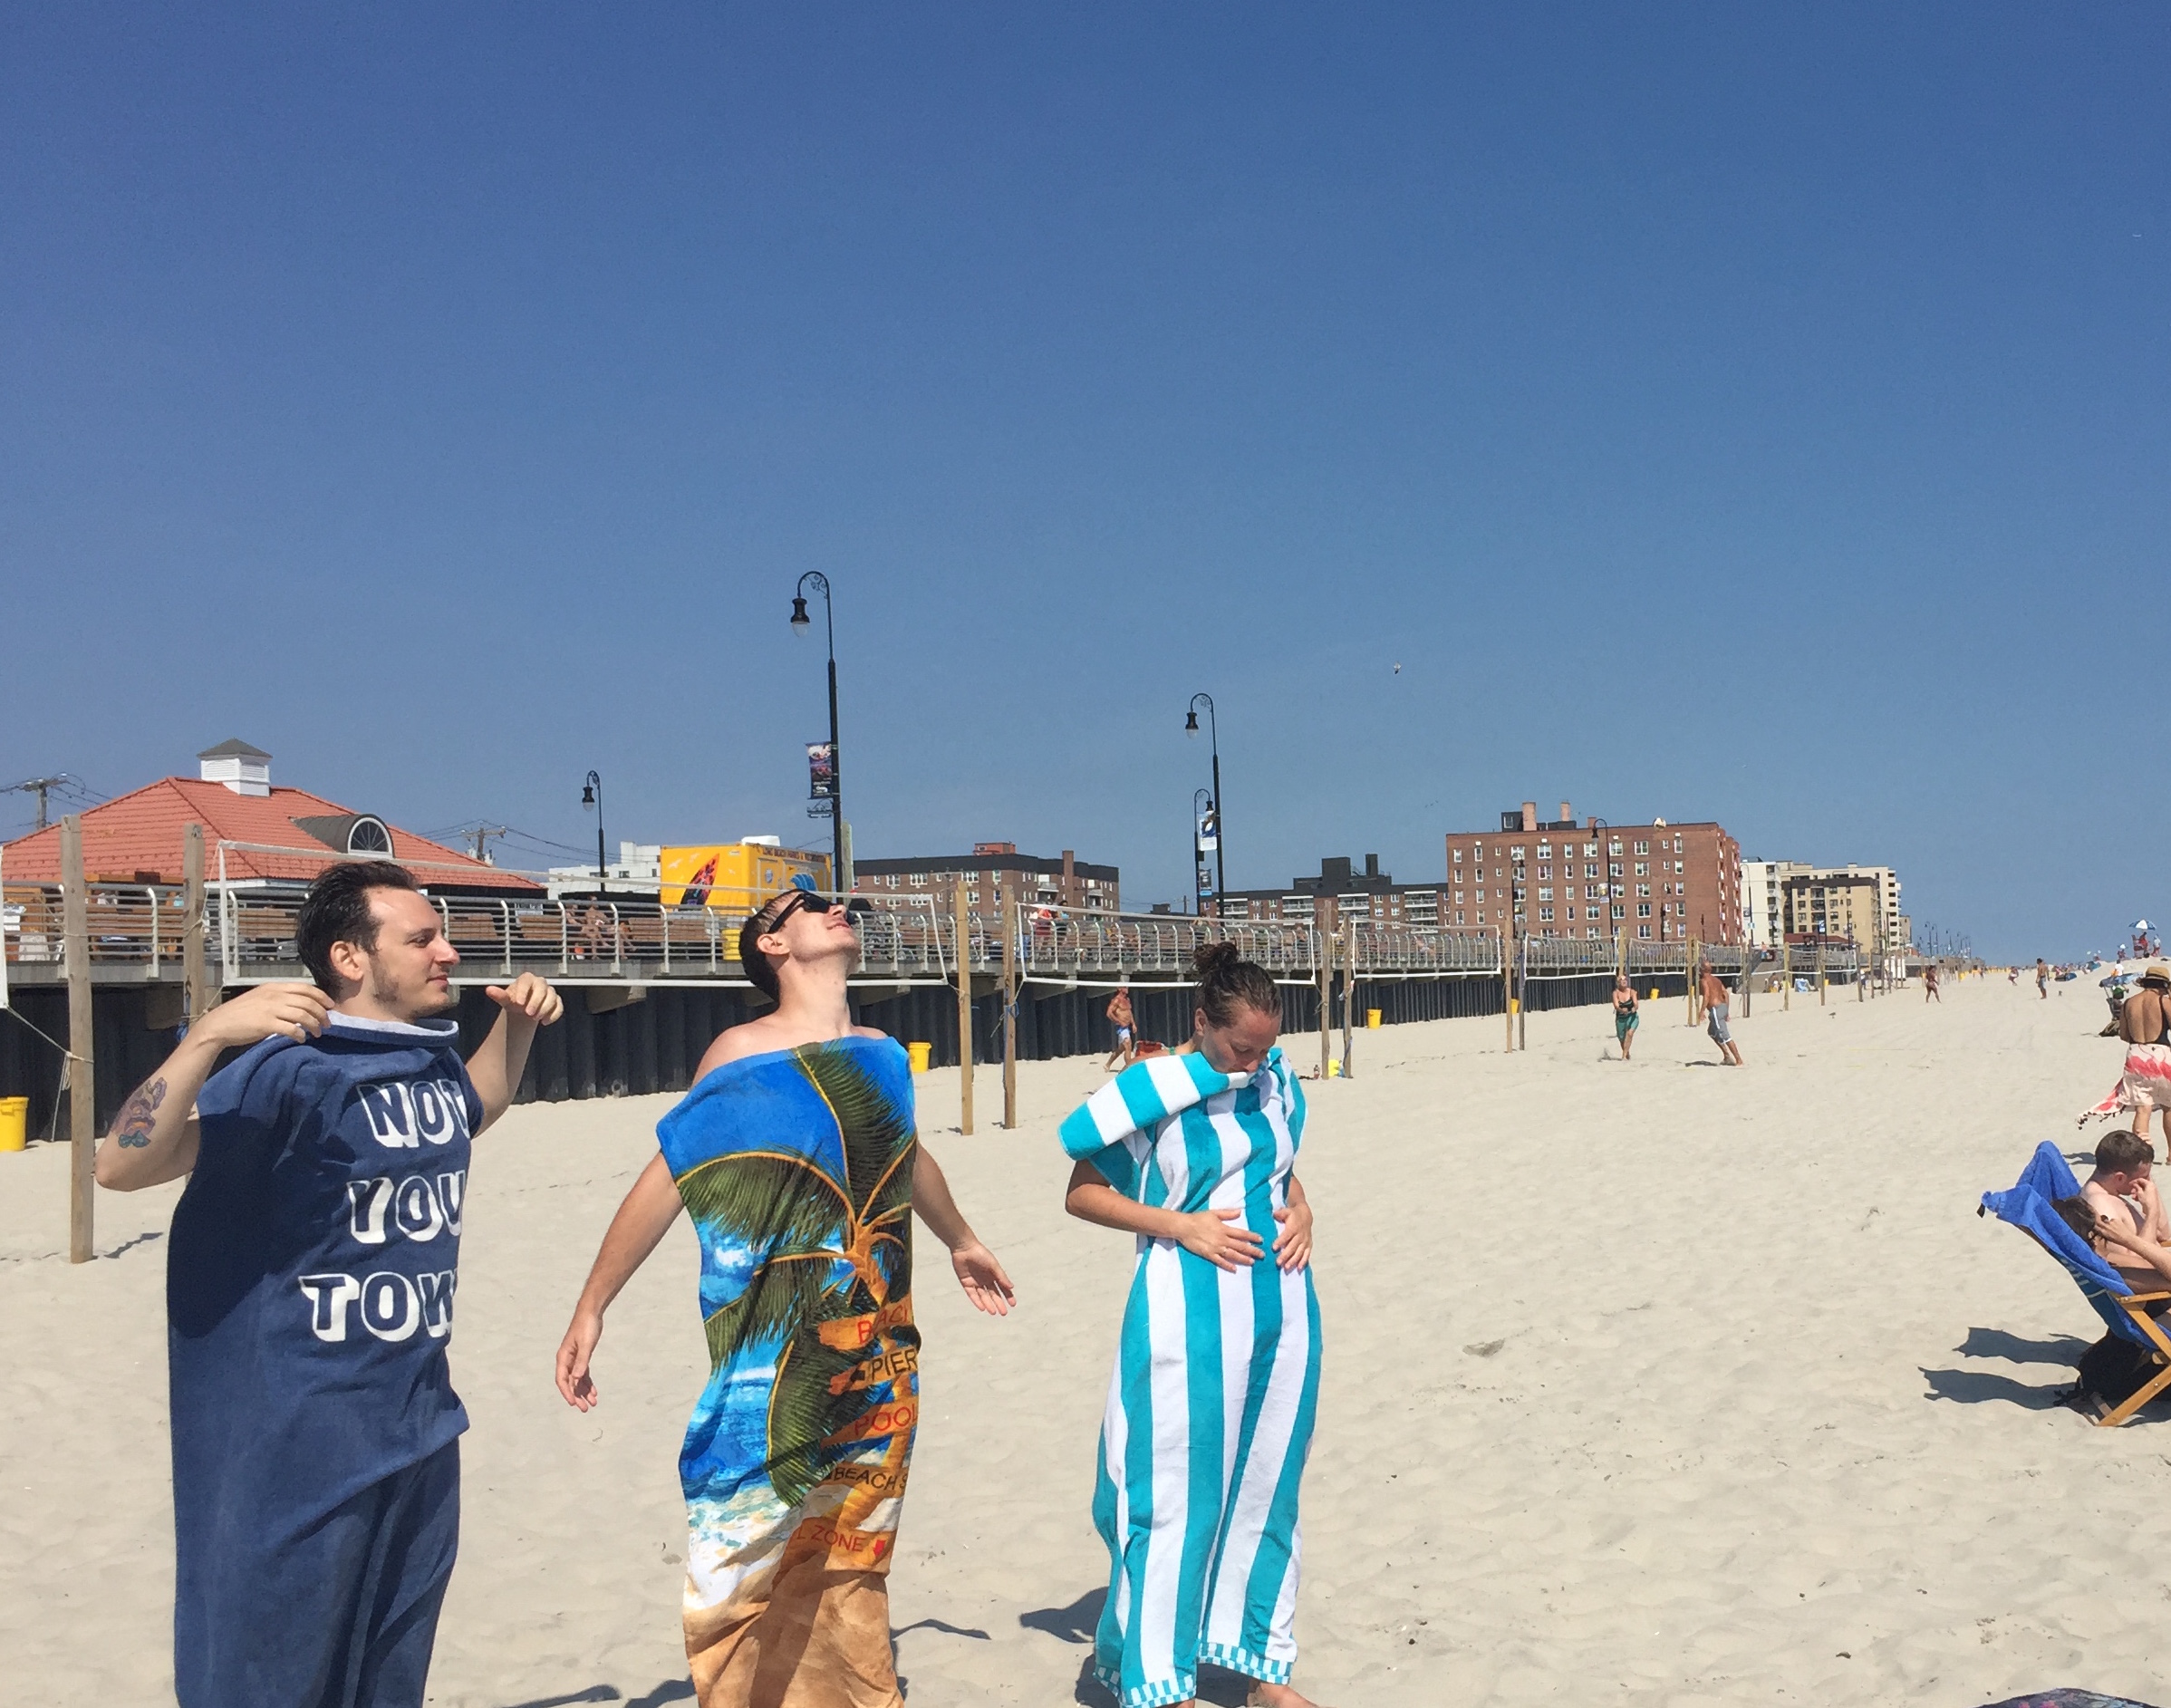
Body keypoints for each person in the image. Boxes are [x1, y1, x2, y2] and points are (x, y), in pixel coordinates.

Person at [93, 859, 564, 1708]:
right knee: (273, 1675)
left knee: (386, 1674)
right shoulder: (289, 1068)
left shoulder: (423, 1064)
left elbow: (471, 1110)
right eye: (422, 939)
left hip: (420, 1423)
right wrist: (208, 1037)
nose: (447, 952)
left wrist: (518, 1027)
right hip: (303, 1439)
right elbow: (122, 1166)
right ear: (350, 958)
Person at [555, 880, 1015, 1708]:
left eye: (838, 904)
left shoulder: (879, 1049)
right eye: (807, 905)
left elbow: (902, 1156)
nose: (837, 909)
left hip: (878, 1352)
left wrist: (962, 1238)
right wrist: (593, 1303)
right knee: (746, 1553)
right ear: (772, 944)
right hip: (775, 1358)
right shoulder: (740, 1052)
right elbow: (669, 1177)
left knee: (855, 1550)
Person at [1057, 942, 1323, 1708]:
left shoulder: (1272, 1081)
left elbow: (1279, 1168)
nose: (1254, 1060)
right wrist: (1179, 1225)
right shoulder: (1152, 1093)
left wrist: (1304, 1209)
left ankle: (1262, 1668)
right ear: (1202, 1022)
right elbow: (1082, 1193)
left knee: (1267, 1482)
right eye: (1241, 1046)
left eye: (1268, 1045)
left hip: (1281, 1310)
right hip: (1185, 1314)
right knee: (1171, 1483)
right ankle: (1159, 1678)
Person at [2081, 963, 2171, 1134]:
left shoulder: (2129, 1003)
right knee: (2169, 1107)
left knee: (2143, 1109)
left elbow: (2123, 1035)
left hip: (2136, 1055)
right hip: (2161, 1054)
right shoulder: (2163, 1001)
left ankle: (2143, 1153)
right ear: (2164, 985)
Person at [1701, 961, 1743, 1066]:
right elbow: (1725, 993)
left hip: (1716, 1009)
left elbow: (1706, 995)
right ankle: (1727, 1056)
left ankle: (1739, 1060)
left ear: (1701, 970)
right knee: (1711, 1032)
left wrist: (1701, 1011)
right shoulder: (1717, 980)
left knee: (1725, 1035)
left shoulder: (1704, 981)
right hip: (1722, 1007)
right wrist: (1726, 1010)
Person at [1104, 980, 1136, 1072]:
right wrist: (1118, 1021)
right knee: (1128, 1045)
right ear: (1119, 988)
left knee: (1121, 1049)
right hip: (1121, 1028)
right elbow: (1109, 1013)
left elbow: (1129, 1013)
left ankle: (1107, 1064)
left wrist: (1133, 1023)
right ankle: (1129, 1067)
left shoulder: (1127, 1000)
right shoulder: (1116, 1000)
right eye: (1125, 987)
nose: (1127, 988)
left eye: (1127, 987)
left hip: (1127, 1027)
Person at [1611, 971, 1640, 1060]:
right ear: (1618, 983)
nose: (1624, 981)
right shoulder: (1615, 993)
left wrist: (1634, 1008)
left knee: (1630, 1033)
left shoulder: (1632, 992)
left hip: (1632, 1017)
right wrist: (1621, 1010)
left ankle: (1623, 1057)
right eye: (1621, 980)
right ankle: (1627, 1054)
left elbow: (1636, 1004)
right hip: (1621, 1018)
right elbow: (1616, 1005)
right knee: (1622, 1039)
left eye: (1625, 980)